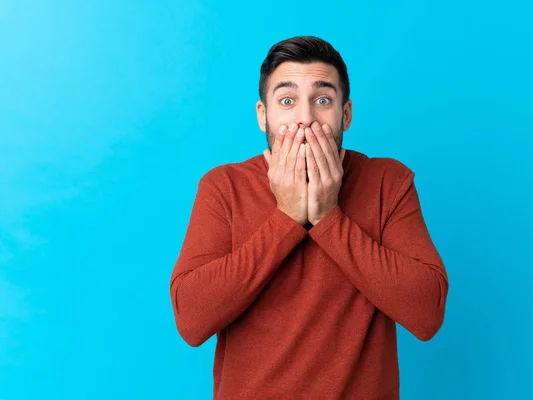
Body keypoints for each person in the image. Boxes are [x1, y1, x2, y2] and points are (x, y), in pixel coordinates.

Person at [169, 35, 449, 399]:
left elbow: (427, 313)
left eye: (322, 100)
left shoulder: (387, 182)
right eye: (287, 101)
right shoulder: (224, 187)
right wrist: (286, 217)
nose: (305, 118)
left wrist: (328, 217)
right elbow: (192, 320)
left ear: (345, 114)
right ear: (263, 115)